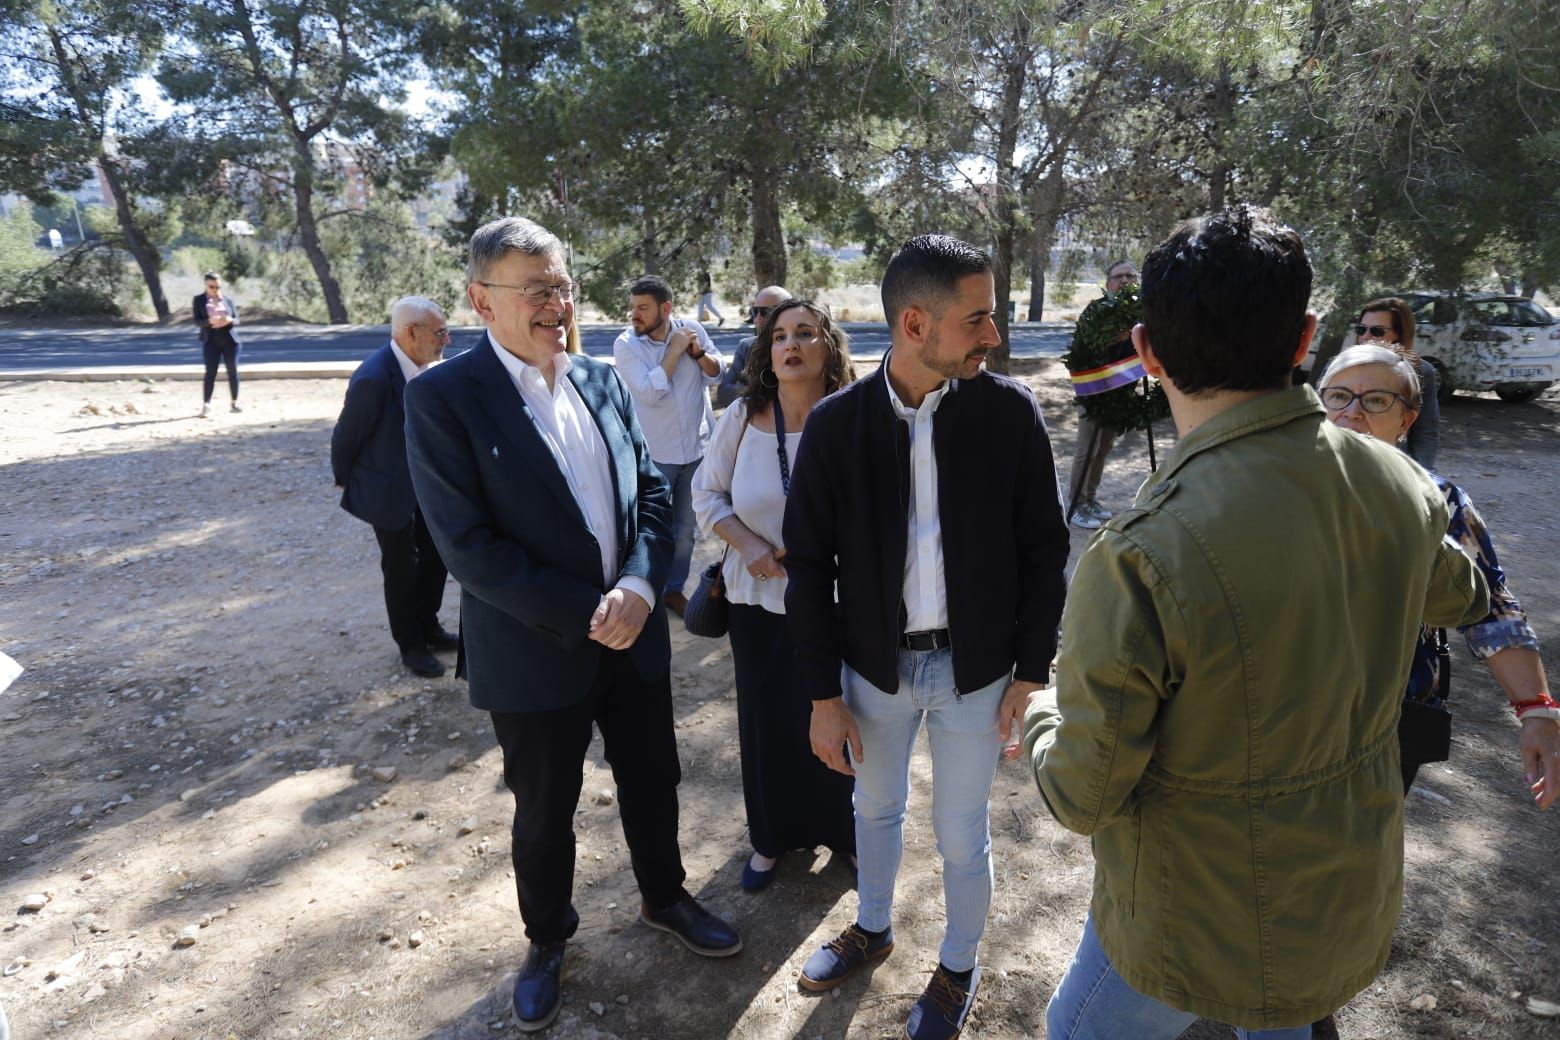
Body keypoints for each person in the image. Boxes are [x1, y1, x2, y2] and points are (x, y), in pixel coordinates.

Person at [1022, 206, 1490, 1039]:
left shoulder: (1140, 553)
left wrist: (1041, 706)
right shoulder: (1401, 485)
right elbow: (1464, 595)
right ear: (1306, 336)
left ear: (1146, 352)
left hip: (1187, 922)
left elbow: (1080, 793)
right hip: (1339, 903)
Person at [404, 217, 741, 1034]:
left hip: (633, 634)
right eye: (536, 288)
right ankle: (548, 939)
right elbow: (468, 548)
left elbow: (654, 496)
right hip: (534, 649)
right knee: (544, 809)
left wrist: (636, 583)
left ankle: (664, 895)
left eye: (562, 285)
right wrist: (591, 613)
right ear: (483, 300)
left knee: (653, 778)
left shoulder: (600, 377)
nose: (556, 303)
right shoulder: (441, 397)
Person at [784, 235, 1070, 1040]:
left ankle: (957, 965)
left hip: (977, 673)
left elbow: (1047, 548)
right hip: (873, 672)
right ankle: (872, 927)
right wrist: (820, 695)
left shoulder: (1010, 413)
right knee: (872, 811)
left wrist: (1029, 670)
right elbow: (806, 566)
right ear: (916, 323)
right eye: (977, 319)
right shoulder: (837, 426)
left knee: (959, 833)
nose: (994, 336)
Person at [1318, 344, 1559, 804]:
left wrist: (1537, 711)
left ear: (1407, 420)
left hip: (1385, 729)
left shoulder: (1439, 501)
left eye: (1375, 401)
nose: (1351, 412)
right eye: (1338, 396)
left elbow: (1492, 609)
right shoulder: (1275, 490)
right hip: (1276, 720)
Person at [691, 299, 858, 893]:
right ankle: (770, 838)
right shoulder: (742, 417)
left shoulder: (855, 418)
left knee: (842, 715)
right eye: (780, 335)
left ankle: (847, 832)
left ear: (827, 348)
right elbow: (707, 495)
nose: (791, 344)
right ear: (768, 352)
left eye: (806, 333)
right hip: (756, 600)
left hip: (839, 603)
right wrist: (749, 546)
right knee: (767, 721)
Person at [330, 296, 458, 678]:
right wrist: (345, 479)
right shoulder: (373, 378)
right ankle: (411, 645)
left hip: (428, 486)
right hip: (389, 490)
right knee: (401, 567)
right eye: (439, 333)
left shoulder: (427, 368)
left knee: (436, 558)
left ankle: (429, 627)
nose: (446, 341)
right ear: (410, 332)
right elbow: (346, 436)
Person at [612, 275, 726, 616]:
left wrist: (698, 352)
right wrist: (675, 353)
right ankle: (644, 591)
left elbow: (718, 373)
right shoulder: (626, 345)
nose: (635, 315)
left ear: (666, 308)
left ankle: (673, 590)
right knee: (649, 530)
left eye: (643, 308)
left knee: (686, 532)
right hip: (654, 456)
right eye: (632, 307)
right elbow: (649, 391)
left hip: (696, 452)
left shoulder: (692, 329)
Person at [1063, 260, 1139, 528]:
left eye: (1131, 275)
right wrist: (1111, 340)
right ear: (1108, 282)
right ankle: (1076, 505)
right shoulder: (1095, 310)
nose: (1126, 280)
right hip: (1094, 389)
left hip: (1122, 391)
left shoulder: (1140, 313)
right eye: (1120, 276)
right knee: (1087, 448)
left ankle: (1090, 498)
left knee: (1105, 447)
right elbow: (1081, 348)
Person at [1352, 296, 1440, 470]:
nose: (1365, 337)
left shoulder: (1420, 372)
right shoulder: (1337, 368)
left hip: (1393, 469)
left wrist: (1420, 474)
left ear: (1397, 334)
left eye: (1377, 331)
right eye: (1361, 329)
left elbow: (1426, 432)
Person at [715, 285, 791, 409]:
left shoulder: (799, 349)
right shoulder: (747, 346)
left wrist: (746, 390)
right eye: (754, 312)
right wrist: (761, 395)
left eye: (765, 312)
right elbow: (724, 393)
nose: (757, 319)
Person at [194, 271, 241, 417]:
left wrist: (229, 320)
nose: (215, 289)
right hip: (211, 339)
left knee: (232, 371)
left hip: (229, 339)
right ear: (206, 285)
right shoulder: (199, 300)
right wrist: (209, 321)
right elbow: (197, 320)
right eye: (212, 286)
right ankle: (206, 404)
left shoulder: (227, 300)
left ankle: (234, 402)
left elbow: (237, 319)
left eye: (218, 286)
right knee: (210, 373)